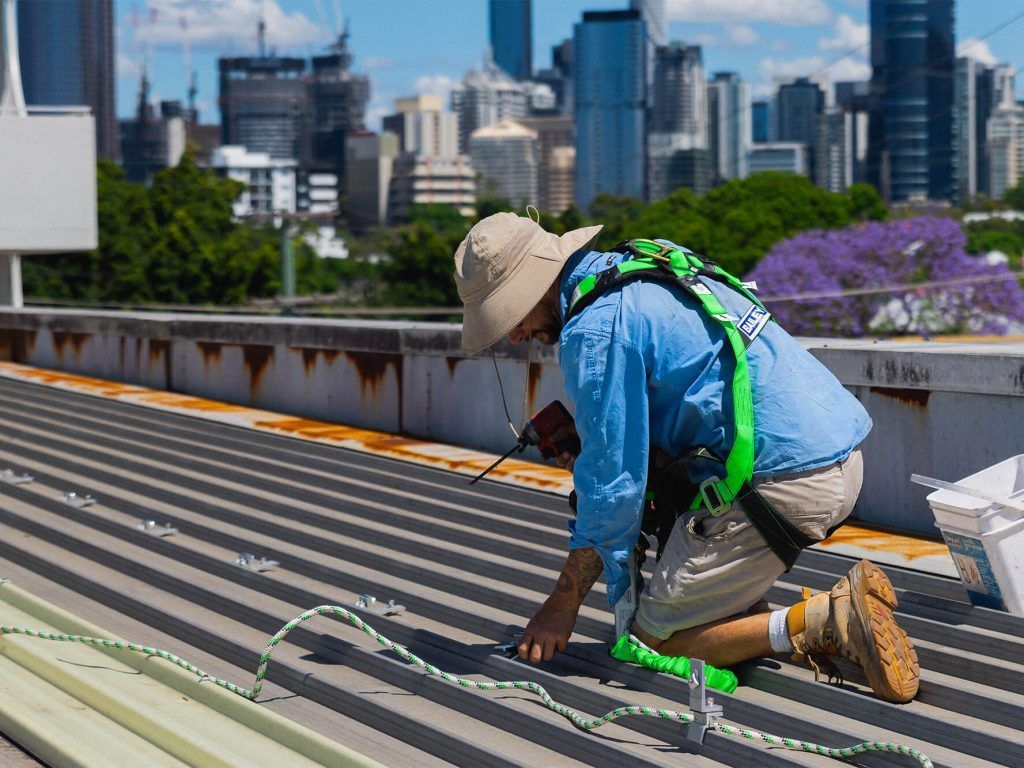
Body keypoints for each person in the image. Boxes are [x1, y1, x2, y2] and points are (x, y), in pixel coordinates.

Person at [452, 212, 920, 704]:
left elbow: (614, 492)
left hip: (783, 484)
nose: (515, 335)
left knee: (648, 643)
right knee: (702, 607)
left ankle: (830, 618)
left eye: (512, 316)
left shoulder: (594, 330)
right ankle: (763, 608)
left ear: (535, 285)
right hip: (838, 454)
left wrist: (561, 604)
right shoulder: (645, 263)